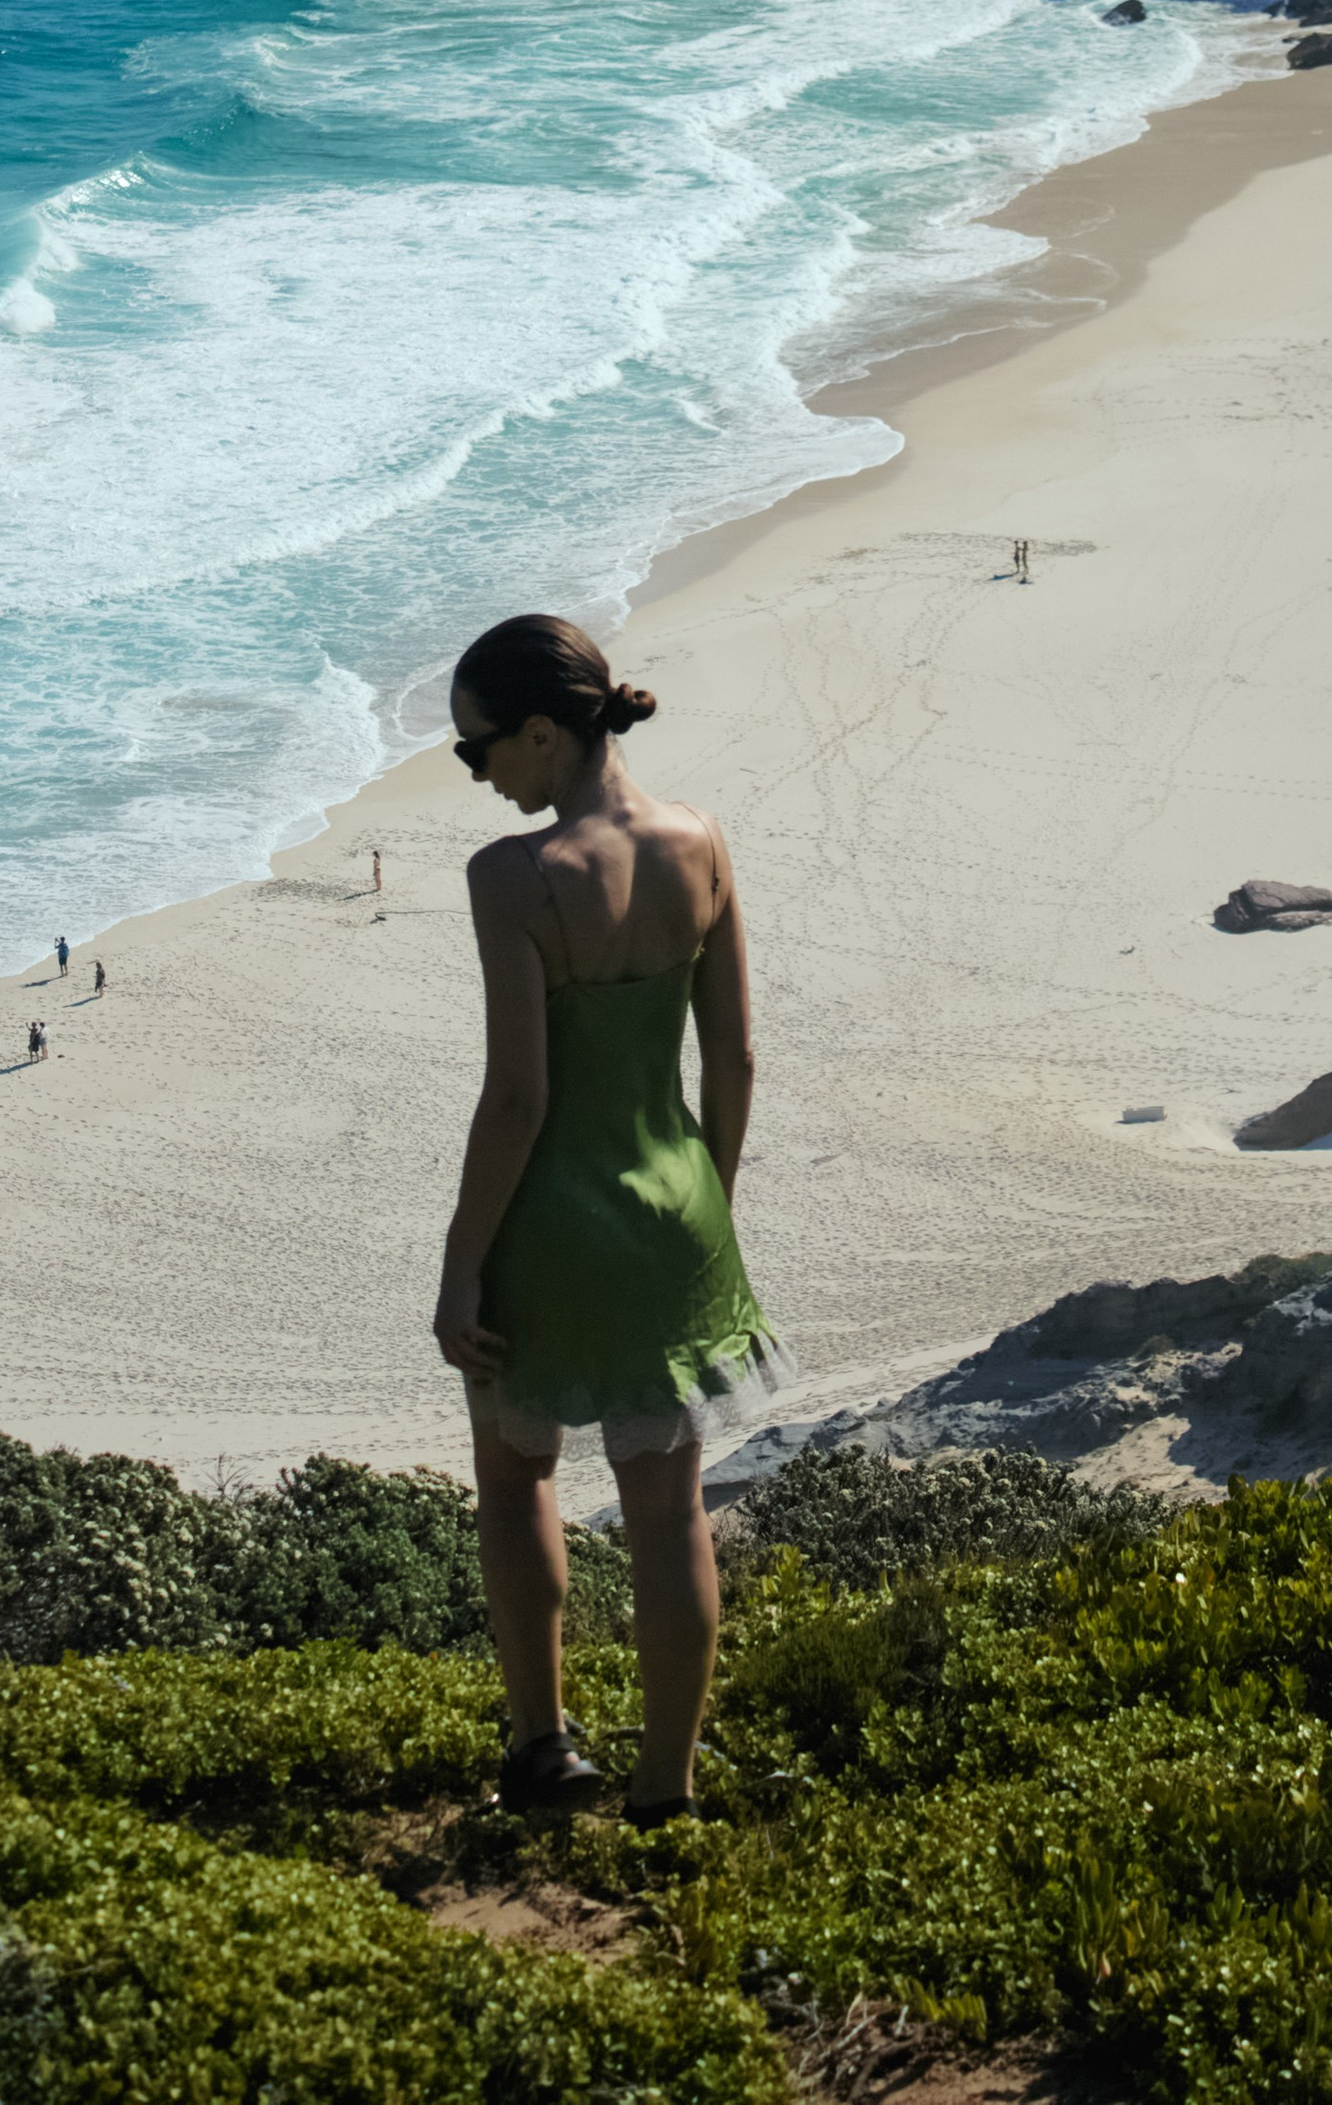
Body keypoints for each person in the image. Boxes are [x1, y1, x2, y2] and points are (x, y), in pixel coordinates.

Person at [432, 612, 780, 1827]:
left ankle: (543, 1750)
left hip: (554, 1223)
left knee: (517, 1472)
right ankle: (664, 1790)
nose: (479, 776)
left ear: (541, 732)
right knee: (668, 1503)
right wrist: (709, 1204)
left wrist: (461, 1264)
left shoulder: (514, 878)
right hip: (676, 1207)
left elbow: (518, 1099)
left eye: (478, 750)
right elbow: (732, 1055)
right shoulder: (702, 843)